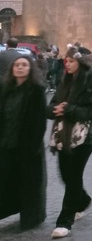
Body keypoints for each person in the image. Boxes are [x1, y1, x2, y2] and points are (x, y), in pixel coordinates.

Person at [46, 46, 92, 239]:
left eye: (71, 61)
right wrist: (53, 110)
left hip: (85, 137)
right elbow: (53, 103)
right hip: (63, 135)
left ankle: (65, 222)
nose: (67, 64)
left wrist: (69, 109)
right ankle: (83, 201)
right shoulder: (65, 80)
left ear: (81, 63)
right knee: (65, 174)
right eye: (66, 60)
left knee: (73, 176)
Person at [0, 53, 48, 231]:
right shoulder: (6, 89)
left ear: (30, 69)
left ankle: (32, 218)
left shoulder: (36, 90)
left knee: (29, 184)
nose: (20, 68)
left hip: (27, 147)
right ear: (12, 69)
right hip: (6, 144)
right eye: (17, 65)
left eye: (24, 65)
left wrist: (32, 146)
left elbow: (39, 121)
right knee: (6, 180)